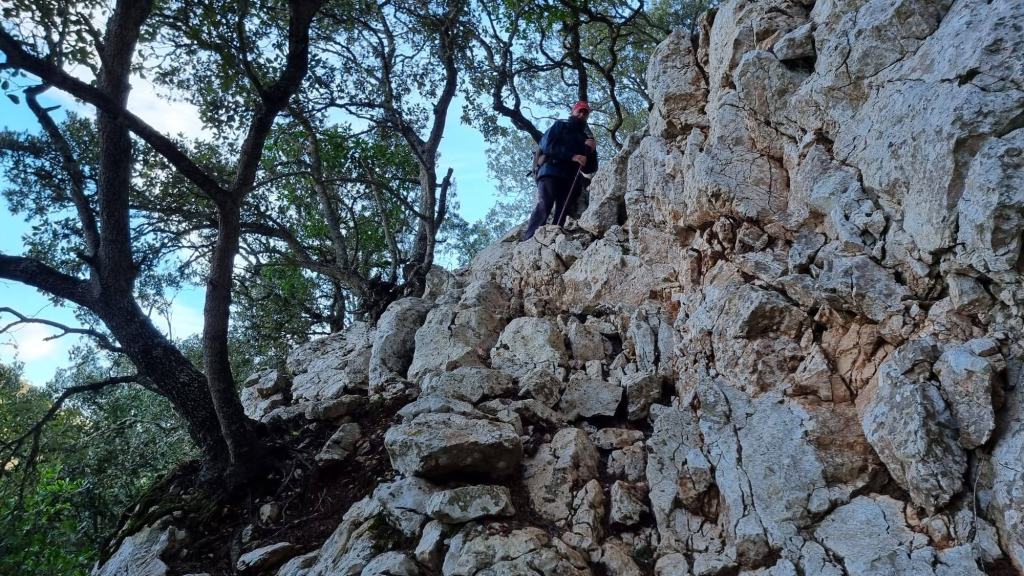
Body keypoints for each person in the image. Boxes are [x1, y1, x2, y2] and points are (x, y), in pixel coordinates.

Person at [521, 101, 598, 241]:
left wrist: (591, 151)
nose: (582, 114)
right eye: (580, 111)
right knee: (545, 203)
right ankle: (530, 239)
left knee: (563, 210)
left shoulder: (585, 139)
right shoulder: (560, 126)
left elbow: (590, 168)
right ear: (573, 112)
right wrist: (572, 156)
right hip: (550, 171)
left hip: (570, 178)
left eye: (585, 113)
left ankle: (554, 239)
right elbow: (546, 145)